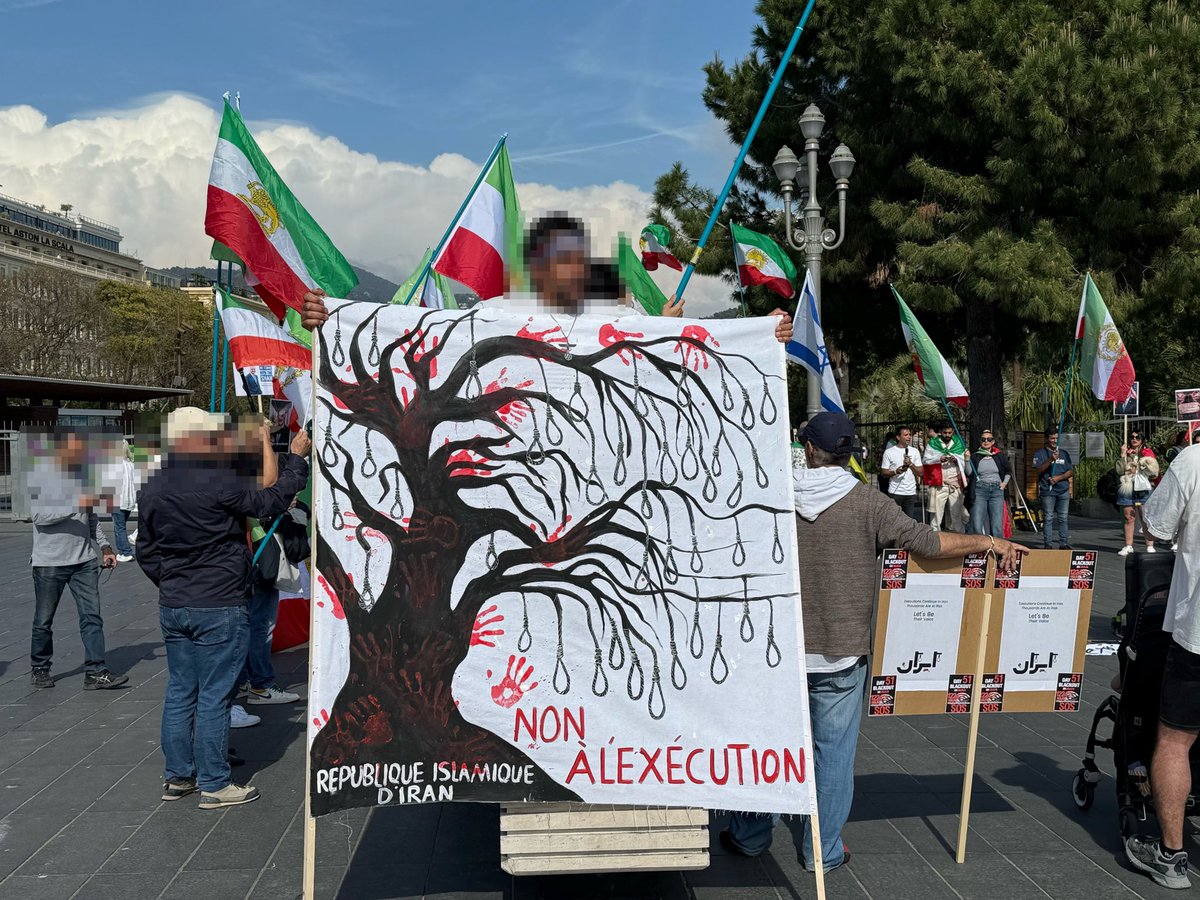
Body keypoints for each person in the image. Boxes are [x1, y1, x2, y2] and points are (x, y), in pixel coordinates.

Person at [722, 411, 1027, 870]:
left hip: (776, 647)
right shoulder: (869, 503)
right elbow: (927, 542)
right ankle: (820, 850)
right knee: (833, 754)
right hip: (842, 648)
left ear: (806, 449)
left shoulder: (774, 498)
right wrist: (988, 542)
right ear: (850, 455)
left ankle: (749, 834)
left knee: (767, 742)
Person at [136, 407, 310, 809]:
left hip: (176, 601)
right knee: (216, 694)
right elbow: (270, 501)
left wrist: (170, 581)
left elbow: (146, 549)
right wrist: (297, 459)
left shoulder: (154, 484)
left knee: (182, 690)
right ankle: (214, 782)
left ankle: (180, 775)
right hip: (217, 599)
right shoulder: (216, 478)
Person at [299, 214, 794, 344]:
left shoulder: (617, 315)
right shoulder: (497, 312)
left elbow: (676, 349)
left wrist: (761, 331)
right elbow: (417, 331)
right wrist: (338, 317)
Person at [1124, 444, 1200, 889]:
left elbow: (1156, 524)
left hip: (1197, 635)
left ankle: (1171, 856)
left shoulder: (1193, 460)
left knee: (1174, 740)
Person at [27, 428, 130, 691]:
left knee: (92, 617)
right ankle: (40, 667)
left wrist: (105, 548)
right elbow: (40, 518)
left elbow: (91, 519)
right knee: (43, 619)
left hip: (83, 561)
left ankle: (96, 671)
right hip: (49, 562)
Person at [1117, 430, 1159, 556]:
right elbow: (1119, 470)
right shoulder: (1127, 453)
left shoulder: (1146, 452)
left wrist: (1141, 461)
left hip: (1142, 489)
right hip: (1128, 487)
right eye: (1132, 437)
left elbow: (1153, 471)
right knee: (1128, 517)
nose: (1134, 439)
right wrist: (1123, 455)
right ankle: (1128, 545)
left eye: (1137, 437)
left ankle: (1149, 545)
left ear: (1142, 440)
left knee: (1144, 517)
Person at [922, 421, 968, 532]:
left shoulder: (958, 443)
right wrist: (939, 459)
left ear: (953, 432)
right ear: (940, 432)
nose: (947, 435)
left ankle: (959, 540)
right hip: (939, 484)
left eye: (949, 432)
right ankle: (935, 539)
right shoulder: (933, 443)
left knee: (956, 515)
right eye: (945, 432)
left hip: (955, 484)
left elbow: (964, 459)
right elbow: (926, 460)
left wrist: (956, 459)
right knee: (936, 515)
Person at [1033, 429, 1074, 550]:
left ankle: (1063, 543)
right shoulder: (1040, 453)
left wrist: (1059, 478)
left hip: (1063, 490)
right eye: (1052, 438)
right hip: (1048, 490)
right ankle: (1048, 544)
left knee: (1063, 517)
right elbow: (1038, 470)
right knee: (1049, 517)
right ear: (1047, 439)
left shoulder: (1064, 453)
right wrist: (1050, 460)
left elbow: (1071, 471)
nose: (1055, 441)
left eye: (1057, 438)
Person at [968, 430, 1011, 537]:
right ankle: (980, 549)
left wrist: (1004, 483)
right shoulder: (975, 456)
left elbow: (1008, 471)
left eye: (989, 439)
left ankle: (998, 550)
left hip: (997, 490)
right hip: (980, 490)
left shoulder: (999, 455)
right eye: (983, 439)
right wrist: (966, 460)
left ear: (993, 442)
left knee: (997, 524)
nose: (986, 441)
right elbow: (969, 472)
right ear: (980, 442)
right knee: (977, 521)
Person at [880, 426, 923, 521]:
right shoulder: (889, 452)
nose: (909, 437)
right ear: (898, 437)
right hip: (895, 492)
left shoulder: (915, 451)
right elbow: (883, 473)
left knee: (908, 522)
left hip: (910, 493)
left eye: (909, 435)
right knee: (893, 521)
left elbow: (920, 473)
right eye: (906, 435)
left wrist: (911, 464)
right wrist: (896, 471)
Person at [110, 438, 138, 562]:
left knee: (119, 527)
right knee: (120, 526)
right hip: (129, 500)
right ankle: (123, 551)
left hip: (118, 500)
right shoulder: (131, 465)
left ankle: (125, 552)